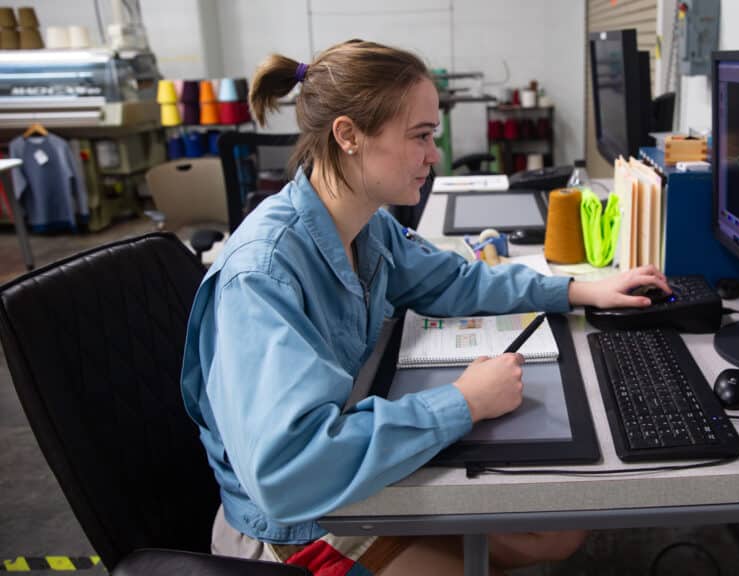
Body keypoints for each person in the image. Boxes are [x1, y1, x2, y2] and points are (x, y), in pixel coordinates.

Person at [180, 39, 671, 575]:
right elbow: (288, 473)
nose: (434, 155)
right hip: (295, 530)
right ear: (348, 135)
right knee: (540, 532)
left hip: (340, 485)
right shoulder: (264, 275)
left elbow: (453, 281)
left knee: (558, 529)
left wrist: (576, 290)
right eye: (420, 136)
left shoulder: (367, 224)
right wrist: (463, 404)